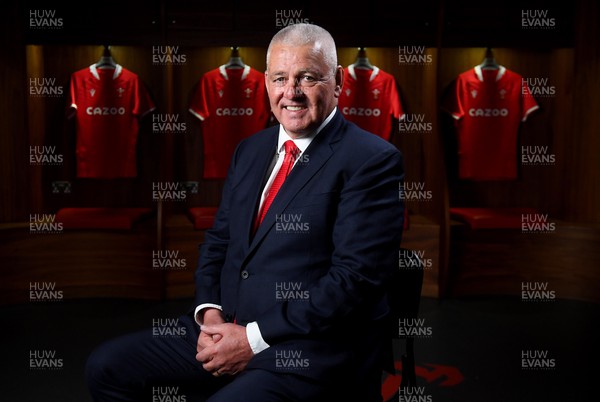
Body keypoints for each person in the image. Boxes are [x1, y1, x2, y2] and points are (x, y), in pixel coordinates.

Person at [85, 22, 405, 402]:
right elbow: (220, 240)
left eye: (307, 78)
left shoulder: (372, 160)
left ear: (336, 82)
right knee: (107, 367)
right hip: (229, 324)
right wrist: (209, 314)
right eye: (280, 78)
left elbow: (353, 281)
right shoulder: (250, 150)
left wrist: (252, 339)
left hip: (307, 349)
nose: (291, 93)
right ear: (266, 82)